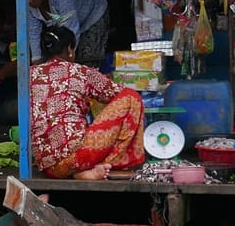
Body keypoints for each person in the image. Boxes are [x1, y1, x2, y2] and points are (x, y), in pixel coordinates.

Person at [28, 24, 146, 180]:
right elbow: (117, 94)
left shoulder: (30, 74)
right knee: (131, 97)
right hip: (79, 158)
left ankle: (80, 173)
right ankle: (111, 162)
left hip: (48, 167)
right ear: (70, 49)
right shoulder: (81, 72)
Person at [28, 0, 109, 65]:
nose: (29, 1)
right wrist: (37, 61)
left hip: (94, 10)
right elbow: (33, 32)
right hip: (70, 24)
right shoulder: (29, 6)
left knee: (88, 58)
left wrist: (63, 63)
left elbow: (71, 30)